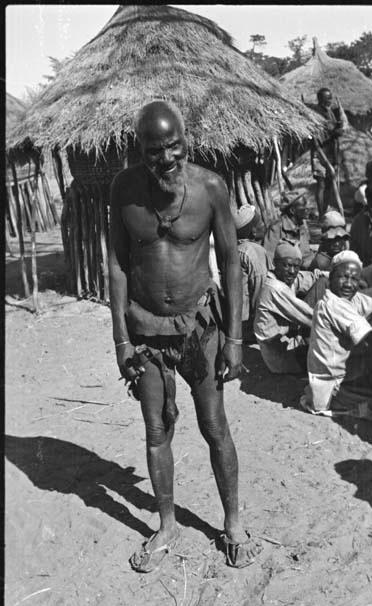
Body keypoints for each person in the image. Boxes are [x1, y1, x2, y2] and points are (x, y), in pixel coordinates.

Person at [108, 100, 262, 572]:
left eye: (174, 147)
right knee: (157, 430)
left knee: (214, 426)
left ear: (185, 141)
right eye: (155, 151)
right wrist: (121, 342)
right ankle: (168, 523)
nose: (167, 159)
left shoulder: (211, 188)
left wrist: (235, 339)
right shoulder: (124, 190)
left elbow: (232, 263)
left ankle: (233, 522)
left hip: (200, 325)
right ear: (141, 150)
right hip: (146, 329)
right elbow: (115, 265)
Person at [301, 250, 372, 417]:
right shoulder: (333, 304)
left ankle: (370, 388)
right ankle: (367, 394)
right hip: (331, 389)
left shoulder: (348, 297)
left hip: (335, 377)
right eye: (343, 276)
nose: (349, 284)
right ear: (331, 277)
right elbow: (371, 340)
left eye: (354, 279)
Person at [254, 242, 327, 375]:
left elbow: (315, 277)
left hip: (290, 341)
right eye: (287, 265)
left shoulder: (286, 277)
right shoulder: (274, 288)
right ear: (275, 263)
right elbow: (310, 317)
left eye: (296, 266)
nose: (292, 271)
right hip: (282, 357)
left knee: (323, 282)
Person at [233, 204, 271, 341]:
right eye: (260, 222)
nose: (264, 224)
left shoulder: (237, 248)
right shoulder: (252, 251)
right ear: (253, 232)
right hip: (248, 326)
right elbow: (260, 290)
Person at [310, 88, 347, 216]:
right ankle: (321, 215)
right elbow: (326, 130)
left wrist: (338, 128)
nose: (330, 100)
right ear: (321, 99)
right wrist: (336, 130)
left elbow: (333, 129)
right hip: (320, 153)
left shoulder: (330, 112)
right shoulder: (316, 112)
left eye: (331, 97)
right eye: (328, 98)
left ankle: (324, 212)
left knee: (329, 185)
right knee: (321, 184)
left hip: (331, 153)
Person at [265, 190, 314, 269]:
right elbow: (269, 258)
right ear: (292, 211)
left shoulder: (301, 226)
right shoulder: (276, 228)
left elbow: (306, 254)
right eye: (303, 207)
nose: (307, 210)